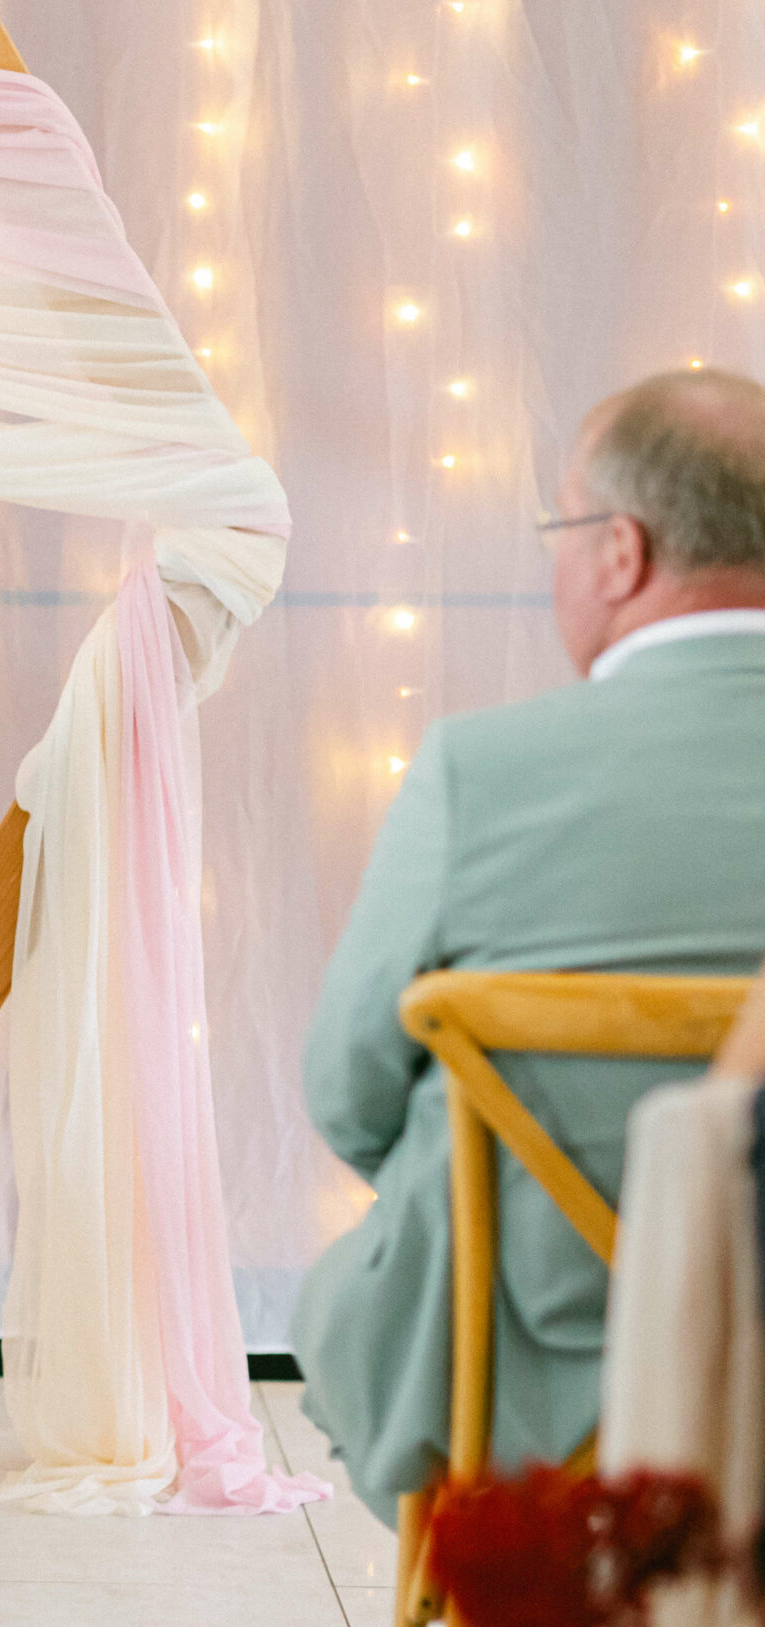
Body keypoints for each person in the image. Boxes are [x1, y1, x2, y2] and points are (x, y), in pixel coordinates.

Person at [293, 369, 765, 1519]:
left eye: (562, 529)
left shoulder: (479, 770)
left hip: (530, 1401)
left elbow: (348, 1093)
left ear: (620, 552)